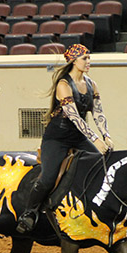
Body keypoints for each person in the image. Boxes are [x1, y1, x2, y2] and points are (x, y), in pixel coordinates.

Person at [16, 44, 114, 234]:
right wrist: (96, 140)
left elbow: (98, 113)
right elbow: (75, 117)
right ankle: (29, 213)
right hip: (57, 138)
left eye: (89, 58)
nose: (88, 62)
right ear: (73, 61)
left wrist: (106, 135)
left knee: (100, 166)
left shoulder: (92, 84)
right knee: (48, 177)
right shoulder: (63, 84)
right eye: (84, 58)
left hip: (78, 138)